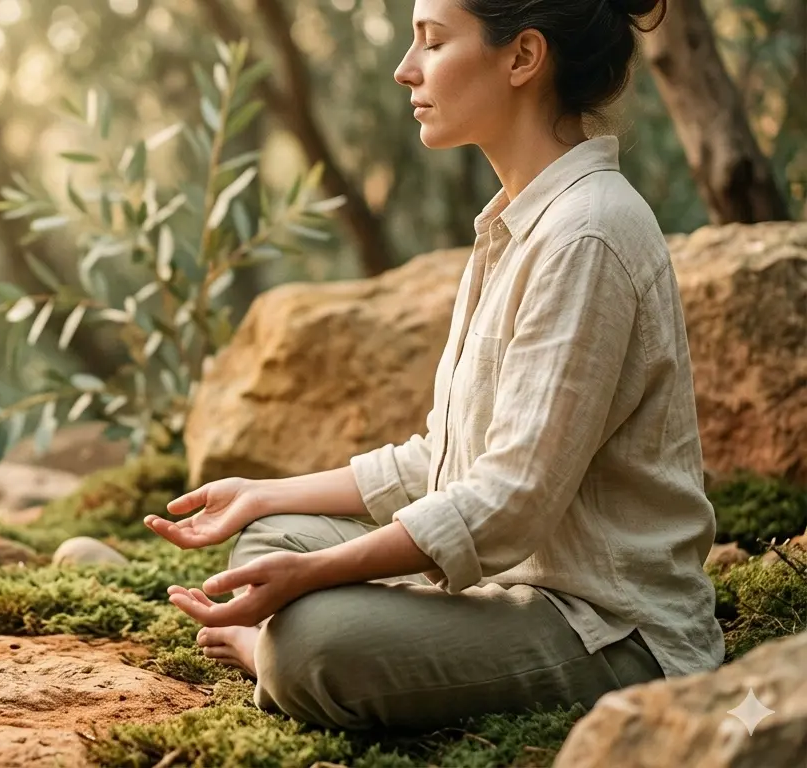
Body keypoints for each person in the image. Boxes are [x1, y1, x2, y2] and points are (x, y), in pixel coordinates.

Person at [144, 0, 726, 732]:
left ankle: (274, 660)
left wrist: (318, 577)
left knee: (312, 642)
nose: (405, 69)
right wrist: (264, 493)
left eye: (433, 42)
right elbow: (447, 462)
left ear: (522, 58)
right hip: (503, 583)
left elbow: (510, 499)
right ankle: (296, 632)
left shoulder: (588, 234)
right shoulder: (513, 226)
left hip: (606, 630)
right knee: (272, 538)